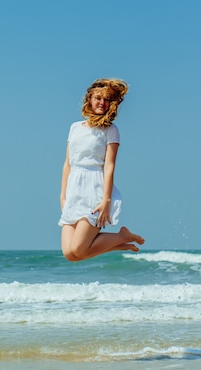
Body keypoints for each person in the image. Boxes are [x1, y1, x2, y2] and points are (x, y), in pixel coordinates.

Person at [59, 78, 145, 262]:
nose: (102, 103)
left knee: (79, 249)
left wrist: (106, 200)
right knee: (70, 254)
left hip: (94, 189)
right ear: (89, 99)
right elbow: (68, 163)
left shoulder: (110, 130)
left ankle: (122, 237)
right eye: (98, 98)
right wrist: (62, 196)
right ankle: (119, 243)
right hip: (74, 189)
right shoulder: (74, 128)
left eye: (106, 100)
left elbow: (109, 166)